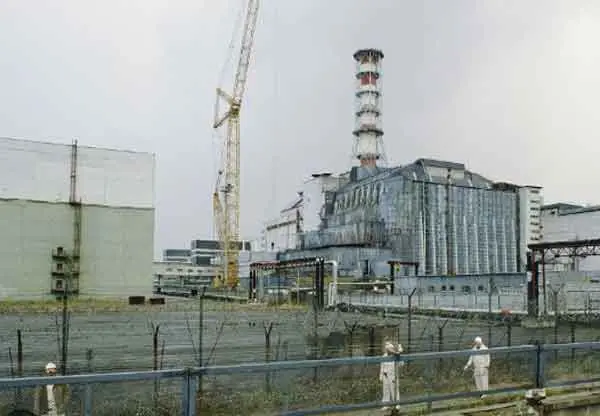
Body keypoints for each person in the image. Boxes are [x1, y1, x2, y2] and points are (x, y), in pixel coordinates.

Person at [379, 341, 404, 410]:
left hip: (393, 376)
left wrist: (398, 356)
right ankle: (386, 404)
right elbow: (382, 366)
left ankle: (397, 404)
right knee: (385, 390)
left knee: (394, 389)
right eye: (387, 349)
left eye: (390, 349)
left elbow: (401, 364)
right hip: (385, 375)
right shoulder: (384, 356)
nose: (388, 351)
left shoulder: (396, 357)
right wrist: (381, 376)